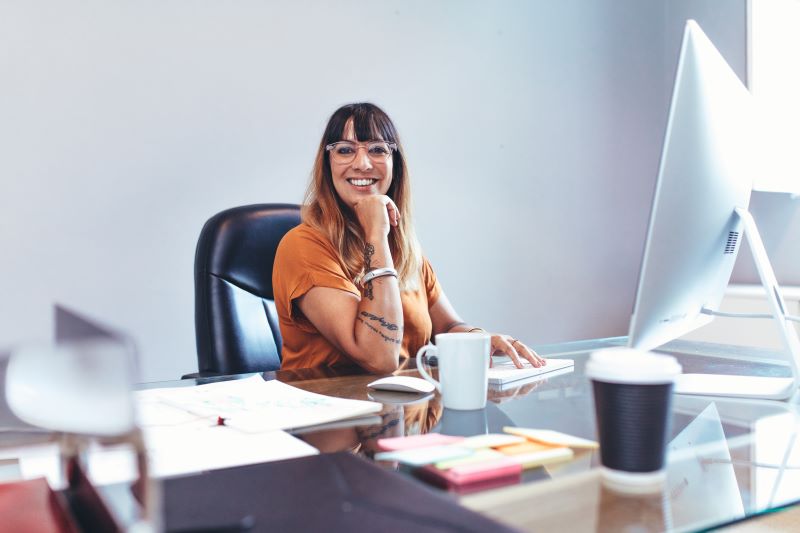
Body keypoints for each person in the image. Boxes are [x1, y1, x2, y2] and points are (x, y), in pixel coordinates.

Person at [273, 103, 546, 373]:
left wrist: (480, 338)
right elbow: (378, 358)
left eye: (377, 149)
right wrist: (376, 234)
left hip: (407, 409)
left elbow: (448, 327)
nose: (363, 163)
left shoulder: (403, 248)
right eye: (345, 150)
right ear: (327, 163)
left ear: (395, 163)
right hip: (336, 411)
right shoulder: (302, 247)